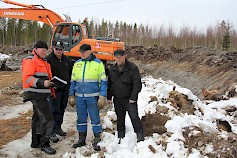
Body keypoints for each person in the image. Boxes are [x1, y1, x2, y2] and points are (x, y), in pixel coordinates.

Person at [69, 44, 107, 151]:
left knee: (95, 118)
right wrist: (71, 94)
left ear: (90, 51)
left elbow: (103, 81)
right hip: (80, 97)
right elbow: (73, 81)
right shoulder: (77, 63)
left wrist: (102, 96)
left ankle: (97, 138)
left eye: (84, 52)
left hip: (93, 97)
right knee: (81, 118)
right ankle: (82, 139)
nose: (82, 53)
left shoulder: (98, 63)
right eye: (80, 52)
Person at [22, 40, 56, 155]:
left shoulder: (43, 62)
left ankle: (35, 142)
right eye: (42, 50)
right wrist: (42, 83)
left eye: (46, 51)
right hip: (35, 93)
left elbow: (45, 77)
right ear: (35, 49)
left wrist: (50, 85)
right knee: (47, 118)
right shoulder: (30, 60)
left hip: (42, 93)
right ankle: (45, 144)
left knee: (37, 119)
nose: (44, 52)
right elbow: (27, 78)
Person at [107, 49, 145, 143]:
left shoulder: (132, 68)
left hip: (129, 99)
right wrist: (109, 97)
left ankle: (139, 134)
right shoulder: (112, 69)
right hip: (117, 99)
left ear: (124, 56)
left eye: (120, 57)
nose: (118, 59)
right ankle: (120, 134)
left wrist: (133, 97)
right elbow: (109, 85)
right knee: (120, 117)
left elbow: (137, 84)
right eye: (117, 57)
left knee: (134, 116)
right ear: (114, 57)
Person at [45, 41, 72, 143]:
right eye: (57, 49)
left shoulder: (66, 59)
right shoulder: (48, 59)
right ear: (53, 49)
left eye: (61, 49)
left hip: (65, 89)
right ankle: (51, 131)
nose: (59, 51)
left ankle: (58, 128)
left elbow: (69, 72)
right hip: (54, 89)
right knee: (53, 110)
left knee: (62, 109)